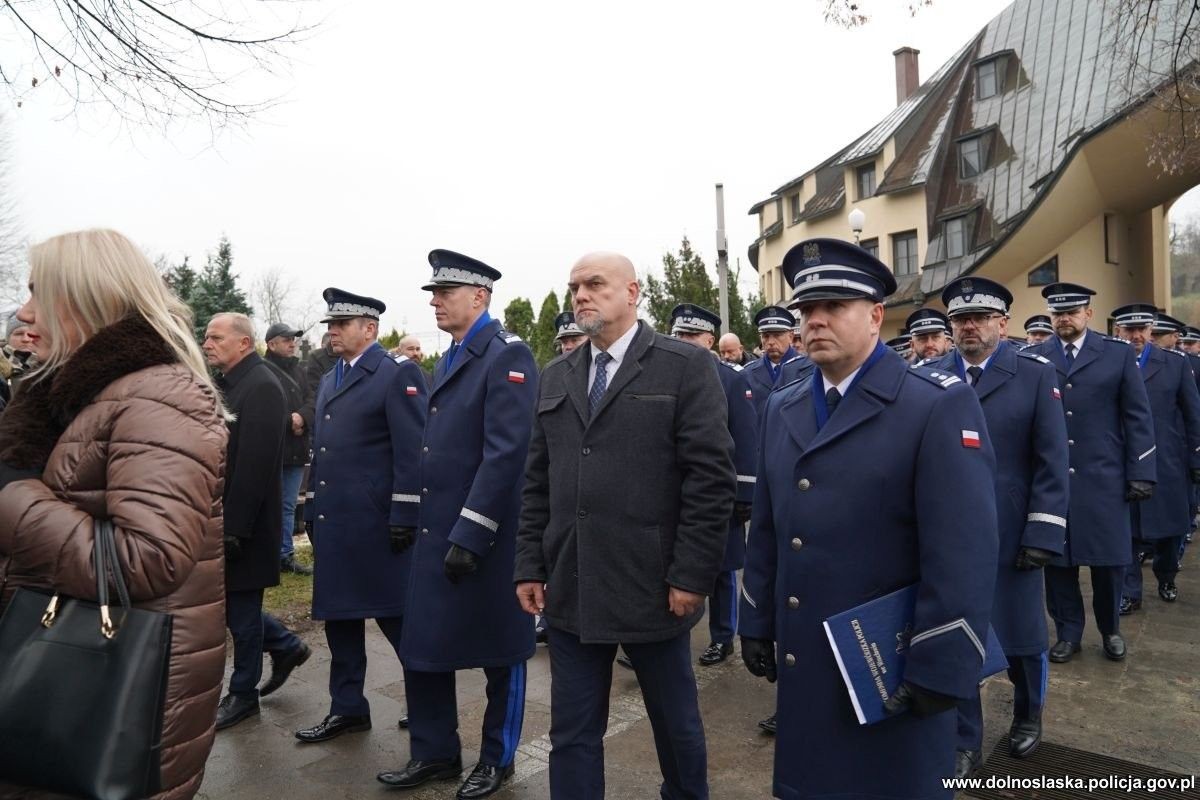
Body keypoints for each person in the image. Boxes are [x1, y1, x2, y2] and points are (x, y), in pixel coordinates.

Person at [739, 237, 998, 800]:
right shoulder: (784, 405)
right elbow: (769, 527)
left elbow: (964, 551)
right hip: (809, 654)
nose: (815, 322)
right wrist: (755, 619)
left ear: (877, 315)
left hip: (893, 664)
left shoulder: (933, 403)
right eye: (807, 310)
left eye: (834, 307)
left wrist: (942, 661)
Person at [0, 229, 228, 799]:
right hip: (58, 676)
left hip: (105, 699)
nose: (25, 311)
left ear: (85, 297)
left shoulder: (159, 397)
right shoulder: (69, 392)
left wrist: (10, 493)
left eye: (38, 291)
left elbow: (143, 560)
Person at [515, 251, 734, 800]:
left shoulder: (683, 366)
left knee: (674, 723)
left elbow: (709, 480)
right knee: (572, 733)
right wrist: (529, 565)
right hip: (572, 583)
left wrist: (691, 576)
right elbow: (538, 480)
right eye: (573, 288)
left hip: (652, 585)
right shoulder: (557, 374)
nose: (581, 295)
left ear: (633, 292)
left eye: (594, 284)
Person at [380, 250, 537, 799]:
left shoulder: (506, 354)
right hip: (435, 528)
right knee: (424, 645)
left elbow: (507, 453)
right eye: (433, 292)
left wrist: (472, 532)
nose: (434, 301)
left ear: (480, 296)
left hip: (483, 532)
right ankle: (434, 752)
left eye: (445, 293)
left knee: (502, 649)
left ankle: (499, 757)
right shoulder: (451, 357)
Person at [933, 277, 1070, 777]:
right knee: (957, 636)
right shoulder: (930, 375)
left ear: (1002, 324)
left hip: (1013, 534)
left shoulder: (1034, 374)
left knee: (1024, 637)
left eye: (979, 318)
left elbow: (1052, 461)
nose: (968, 326)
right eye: (960, 319)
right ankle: (965, 737)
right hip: (949, 537)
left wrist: (1042, 532)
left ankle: (1029, 714)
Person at [296, 289, 428, 744]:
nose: (332, 330)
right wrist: (312, 503)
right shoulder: (333, 376)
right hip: (337, 523)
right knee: (341, 623)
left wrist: (405, 515)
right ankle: (348, 707)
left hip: (377, 524)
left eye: (342, 323)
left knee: (399, 623)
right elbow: (324, 452)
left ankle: (428, 705)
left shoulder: (396, 373)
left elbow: (414, 451)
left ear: (369, 329)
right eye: (330, 324)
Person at [1024, 283, 1156, 663]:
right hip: (1054, 481)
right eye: (1057, 313)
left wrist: (1142, 470)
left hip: (1104, 478)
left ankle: (1111, 629)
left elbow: (1138, 416)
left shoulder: (1115, 355)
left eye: (1072, 312)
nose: (1064, 319)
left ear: (1088, 314)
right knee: (1059, 565)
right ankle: (1068, 633)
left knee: (1109, 563)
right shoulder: (1036, 356)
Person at [203, 312, 310, 731]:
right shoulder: (233, 381)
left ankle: (243, 693)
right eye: (207, 337)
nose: (207, 343)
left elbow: (255, 464)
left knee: (241, 612)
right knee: (233, 607)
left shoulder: (262, 385)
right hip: (230, 517)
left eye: (216, 337)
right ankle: (286, 646)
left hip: (247, 522)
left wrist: (235, 527)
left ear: (244, 343)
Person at [670, 304, 758, 667]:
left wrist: (744, 493)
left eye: (692, 336)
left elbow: (745, 437)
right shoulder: (664, 375)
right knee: (675, 564)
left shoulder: (732, 380)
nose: (685, 342)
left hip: (719, 492)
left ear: (709, 340)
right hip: (676, 492)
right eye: (679, 335)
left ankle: (723, 638)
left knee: (721, 569)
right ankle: (672, 633)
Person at [1112, 309, 1200, 612]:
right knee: (1128, 531)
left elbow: (1193, 415)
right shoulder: (1109, 362)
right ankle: (1130, 591)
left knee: (1170, 530)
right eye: (1129, 329)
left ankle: (1166, 575)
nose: (1136, 336)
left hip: (1167, 460)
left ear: (1151, 330)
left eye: (1142, 329)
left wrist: (1195, 458)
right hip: (1124, 459)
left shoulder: (1175, 363)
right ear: (1118, 330)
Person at [263, 321, 314, 575]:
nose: (292, 343)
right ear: (271, 344)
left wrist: (302, 418)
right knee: (268, 504)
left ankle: (284, 554)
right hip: (272, 449)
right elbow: (262, 405)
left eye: (293, 339)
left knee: (288, 506)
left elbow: (312, 399)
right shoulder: (262, 370)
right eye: (287, 339)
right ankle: (269, 554)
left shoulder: (300, 370)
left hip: (296, 446)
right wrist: (288, 421)